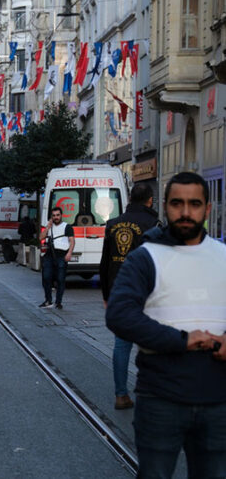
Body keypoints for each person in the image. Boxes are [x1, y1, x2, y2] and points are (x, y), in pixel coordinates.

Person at [107, 172, 226, 478]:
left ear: (207, 209)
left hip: (218, 401)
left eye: (194, 204)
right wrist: (183, 340)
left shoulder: (223, 257)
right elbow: (120, 314)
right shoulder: (145, 258)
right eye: (177, 204)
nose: (185, 212)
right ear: (164, 207)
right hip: (161, 400)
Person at [100, 183, 159, 410]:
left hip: (119, 290)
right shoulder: (153, 224)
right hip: (147, 292)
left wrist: (106, 294)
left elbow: (105, 263)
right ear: (150, 201)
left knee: (121, 344)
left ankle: (121, 394)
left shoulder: (113, 225)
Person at [38, 206, 75, 310]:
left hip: (61, 255)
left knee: (60, 279)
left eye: (58, 215)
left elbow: (72, 241)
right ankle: (48, 300)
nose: (56, 217)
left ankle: (58, 302)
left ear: (61, 215)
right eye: (54, 215)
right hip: (50, 254)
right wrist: (47, 227)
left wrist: (69, 253)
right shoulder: (49, 227)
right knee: (46, 277)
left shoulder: (67, 227)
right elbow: (41, 237)